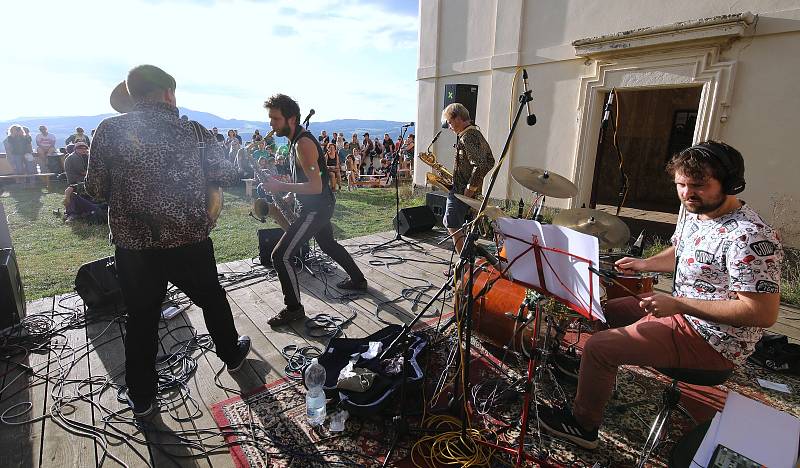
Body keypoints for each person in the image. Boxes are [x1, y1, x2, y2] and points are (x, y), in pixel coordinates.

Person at [538, 141, 783, 449]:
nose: (686, 194)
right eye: (680, 185)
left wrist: (679, 303)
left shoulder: (748, 236)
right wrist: (643, 264)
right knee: (605, 310)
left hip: (714, 340)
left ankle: (582, 426)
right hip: (682, 315)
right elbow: (681, 252)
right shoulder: (698, 212)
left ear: (731, 183)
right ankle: (596, 376)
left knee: (599, 347)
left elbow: (762, 313)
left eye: (698, 186)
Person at [87, 65, 251, 418]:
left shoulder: (109, 130)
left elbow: (96, 189)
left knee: (142, 318)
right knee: (211, 298)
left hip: (135, 247)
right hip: (189, 238)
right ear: (168, 93)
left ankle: (143, 398)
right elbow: (227, 174)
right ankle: (231, 354)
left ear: (132, 95)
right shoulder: (195, 131)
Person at [260, 93, 368, 326]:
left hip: (315, 210)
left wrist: (280, 185)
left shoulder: (303, 143)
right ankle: (358, 279)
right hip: (315, 206)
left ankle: (294, 309)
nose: (271, 124)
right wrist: (290, 193)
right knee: (328, 244)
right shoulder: (294, 141)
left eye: (275, 119)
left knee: (280, 256)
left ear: (292, 119)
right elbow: (308, 178)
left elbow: (316, 185)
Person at [441, 102, 495, 255]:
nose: (449, 126)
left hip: (461, 191)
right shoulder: (475, 133)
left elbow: (482, 164)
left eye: (450, 122)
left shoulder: (468, 137)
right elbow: (490, 160)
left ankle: (463, 264)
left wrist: (470, 187)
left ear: (458, 118)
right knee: (460, 225)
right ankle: (465, 260)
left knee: (451, 223)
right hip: (463, 188)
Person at [62, 142, 104, 222]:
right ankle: (72, 213)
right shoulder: (74, 157)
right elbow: (82, 172)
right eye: (81, 148)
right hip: (76, 180)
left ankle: (72, 212)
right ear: (76, 149)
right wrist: (95, 174)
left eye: (85, 148)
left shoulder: (83, 156)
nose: (84, 150)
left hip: (81, 180)